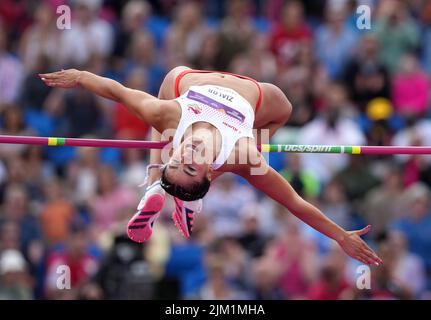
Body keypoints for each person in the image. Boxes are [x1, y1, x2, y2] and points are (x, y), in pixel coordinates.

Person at [38, 66, 382, 266]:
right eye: (189, 168)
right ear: (208, 175)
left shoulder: (168, 114)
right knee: (282, 105)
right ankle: (179, 194)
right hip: (255, 98)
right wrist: (340, 235)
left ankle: (155, 184)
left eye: (176, 161)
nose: (185, 156)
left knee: (160, 116)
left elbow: (117, 90)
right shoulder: (243, 155)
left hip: (188, 78)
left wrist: (81, 76)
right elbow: (294, 202)